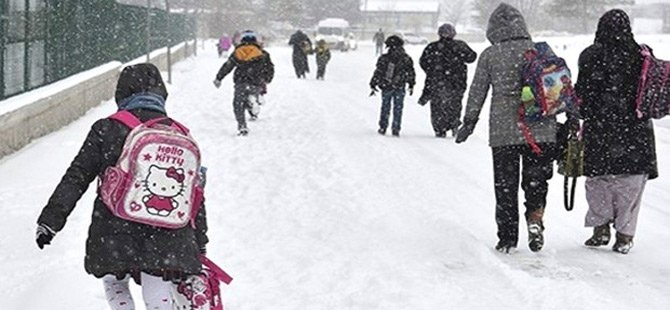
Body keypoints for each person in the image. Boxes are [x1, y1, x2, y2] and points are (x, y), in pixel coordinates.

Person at [34, 63, 209, 309]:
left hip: (114, 229)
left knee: (115, 283)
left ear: (122, 92)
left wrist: (50, 221)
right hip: (167, 233)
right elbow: (195, 194)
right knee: (157, 282)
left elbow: (77, 176)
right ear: (161, 93)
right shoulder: (179, 134)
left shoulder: (106, 128)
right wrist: (199, 240)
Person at [455, 3, 557, 253]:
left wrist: (469, 122)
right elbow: (556, 87)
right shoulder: (539, 50)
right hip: (540, 128)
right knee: (536, 180)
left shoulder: (491, 54)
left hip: (504, 132)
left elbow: (477, 90)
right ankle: (535, 219)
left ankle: (507, 238)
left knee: (505, 186)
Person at [575, 9, 658, 254]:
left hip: (600, 127)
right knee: (631, 182)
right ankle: (625, 235)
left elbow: (582, 93)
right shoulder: (642, 55)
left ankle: (600, 228)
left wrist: (585, 111)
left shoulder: (590, 56)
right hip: (635, 129)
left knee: (598, 180)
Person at [419, 23, 477, 138]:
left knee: (437, 106)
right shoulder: (459, 45)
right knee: (455, 104)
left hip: (437, 82)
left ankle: (439, 128)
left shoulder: (432, 47)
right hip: (457, 82)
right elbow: (472, 57)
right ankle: (454, 123)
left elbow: (423, 62)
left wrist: (432, 71)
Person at [213, 30, 274, 136]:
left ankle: (242, 126)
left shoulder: (237, 52)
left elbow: (228, 66)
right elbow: (269, 68)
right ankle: (253, 103)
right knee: (252, 95)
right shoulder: (263, 54)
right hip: (256, 81)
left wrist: (219, 78)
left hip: (241, 81)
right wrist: (267, 79)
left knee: (238, 104)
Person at [369, 35, 416, 137]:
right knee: (398, 108)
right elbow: (411, 72)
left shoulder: (384, 58)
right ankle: (396, 128)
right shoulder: (406, 58)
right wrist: (411, 84)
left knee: (385, 106)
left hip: (386, 85)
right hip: (400, 86)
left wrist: (373, 83)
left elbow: (378, 72)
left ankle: (383, 126)